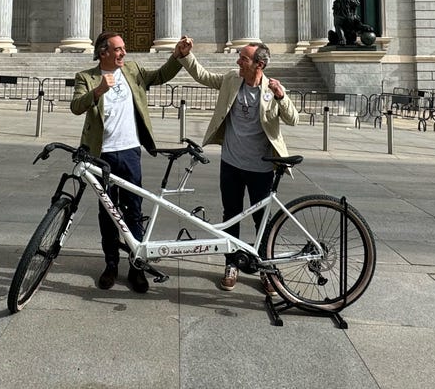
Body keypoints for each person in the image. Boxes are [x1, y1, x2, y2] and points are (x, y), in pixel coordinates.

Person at [174, 36, 298, 293]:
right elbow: (204, 77)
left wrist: (281, 96)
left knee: (262, 220)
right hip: (231, 164)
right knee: (230, 216)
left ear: (258, 65)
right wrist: (186, 56)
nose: (238, 61)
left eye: (243, 58)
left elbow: (292, 118)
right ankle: (232, 264)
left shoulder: (271, 89)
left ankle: (265, 267)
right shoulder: (232, 79)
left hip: (261, 167)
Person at [71, 31, 186, 293]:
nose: (123, 53)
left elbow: (159, 76)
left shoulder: (132, 70)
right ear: (103, 53)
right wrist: (99, 90)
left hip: (131, 151)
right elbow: (76, 106)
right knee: (108, 213)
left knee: (133, 210)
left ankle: (137, 267)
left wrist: (177, 55)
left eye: (123, 48)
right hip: (102, 154)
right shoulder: (86, 77)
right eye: (118, 49)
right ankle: (111, 265)